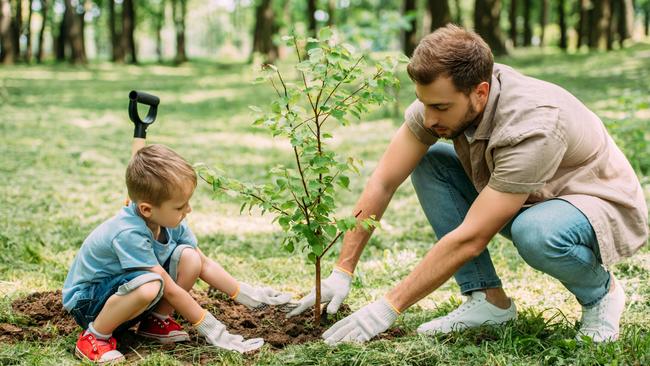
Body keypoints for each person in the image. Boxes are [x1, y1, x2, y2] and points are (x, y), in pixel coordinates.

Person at [287, 24, 648, 345]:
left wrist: (387, 307)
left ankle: (601, 295)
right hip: (527, 193)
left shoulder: (533, 124)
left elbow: (473, 237)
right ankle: (487, 302)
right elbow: (383, 180)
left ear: (480, 91)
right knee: (430, 163)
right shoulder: (438, 101)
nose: (429, 119)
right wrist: (342, 270)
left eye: (441, 108)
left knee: (534, 232)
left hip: (593, 202)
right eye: (423, 104)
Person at [62, 144, 292, 363]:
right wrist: (213, 329)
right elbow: (169, 289)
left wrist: (247, 295)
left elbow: (203, 263)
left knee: (190, 257)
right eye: (180, 206)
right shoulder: (128, 233)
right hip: (89, 304)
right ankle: (94, 337)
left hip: (123, 295)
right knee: (151, 284)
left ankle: (155, 322)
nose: (188, 210)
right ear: (146, 209)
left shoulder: (168, 221)